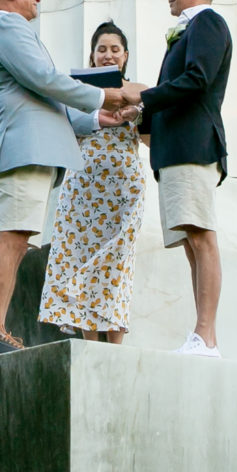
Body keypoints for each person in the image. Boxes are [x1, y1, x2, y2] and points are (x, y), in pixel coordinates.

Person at [0, 0, 139, 358]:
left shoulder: (15, 31)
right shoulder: (7, 27)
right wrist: (104, 97)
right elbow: (45, 79)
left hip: (33, 149)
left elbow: (47, 99)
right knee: (10, 236)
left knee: (18, 239)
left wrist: (99, 119)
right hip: (21, 146)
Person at [120, 0, 229, 358]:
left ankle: (207, 337)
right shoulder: (188, 29)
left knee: (201, 236)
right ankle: (201, 334)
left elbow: (198, 79)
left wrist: (143, 97)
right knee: (190, 242)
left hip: (193, 146)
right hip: (175, 151)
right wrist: (141, 116)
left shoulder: (208, 22)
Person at [39, 21, 145, 342]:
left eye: (115, 49)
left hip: (124, 189)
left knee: (116, 265)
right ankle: (90, 346)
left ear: (125, 55)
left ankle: (114, 348)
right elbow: (61, 130)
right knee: (80, 260)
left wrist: (139, 110)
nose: (108, 55)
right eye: (102, 49)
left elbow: (151, 138)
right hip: (82, 190)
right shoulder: (76, 93)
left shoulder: (139, 91)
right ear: (92, 56)